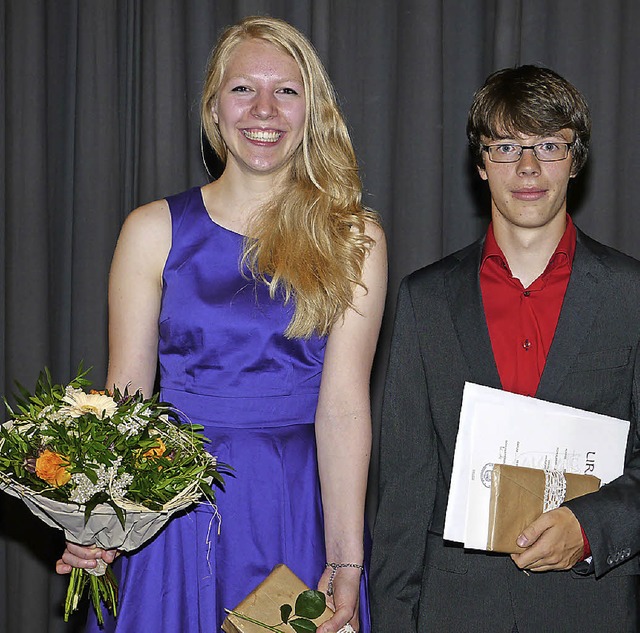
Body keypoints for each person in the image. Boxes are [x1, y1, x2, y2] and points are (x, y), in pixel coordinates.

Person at [55, 16, 386, 633]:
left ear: (311, 111)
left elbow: (343, 408)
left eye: (286, 90)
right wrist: (96, 525)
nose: (264, 108)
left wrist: (346, 559)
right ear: (213, 107)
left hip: (295, 509)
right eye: (243, 89)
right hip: (171, 511)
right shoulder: (151, 230)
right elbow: (124, 404)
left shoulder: (354, 239)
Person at [370, 65, 640, 632]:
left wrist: (594, 527)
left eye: (548, 145)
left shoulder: (630, 295)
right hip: (455, 613)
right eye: (506, 147)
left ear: (575, 158)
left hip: (592, 611)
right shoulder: (426, 300)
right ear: (479, 162)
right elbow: (403, 495)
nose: (527, 167)